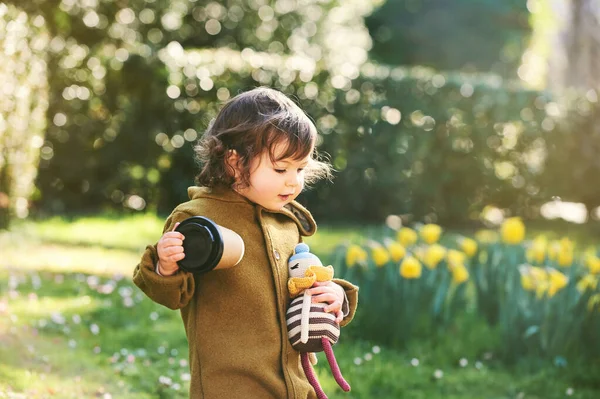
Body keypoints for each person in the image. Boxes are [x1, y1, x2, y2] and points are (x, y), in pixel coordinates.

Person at [133, 87, 359, 399]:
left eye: (300, 169)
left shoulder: (286, 222)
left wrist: (333, 297)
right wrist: (166, 265)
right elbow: (173, 296)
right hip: (232, 386)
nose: (293, 181)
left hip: (293, 384)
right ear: (234, 163)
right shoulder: (198, 220)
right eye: (281, 169)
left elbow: (300, 288)